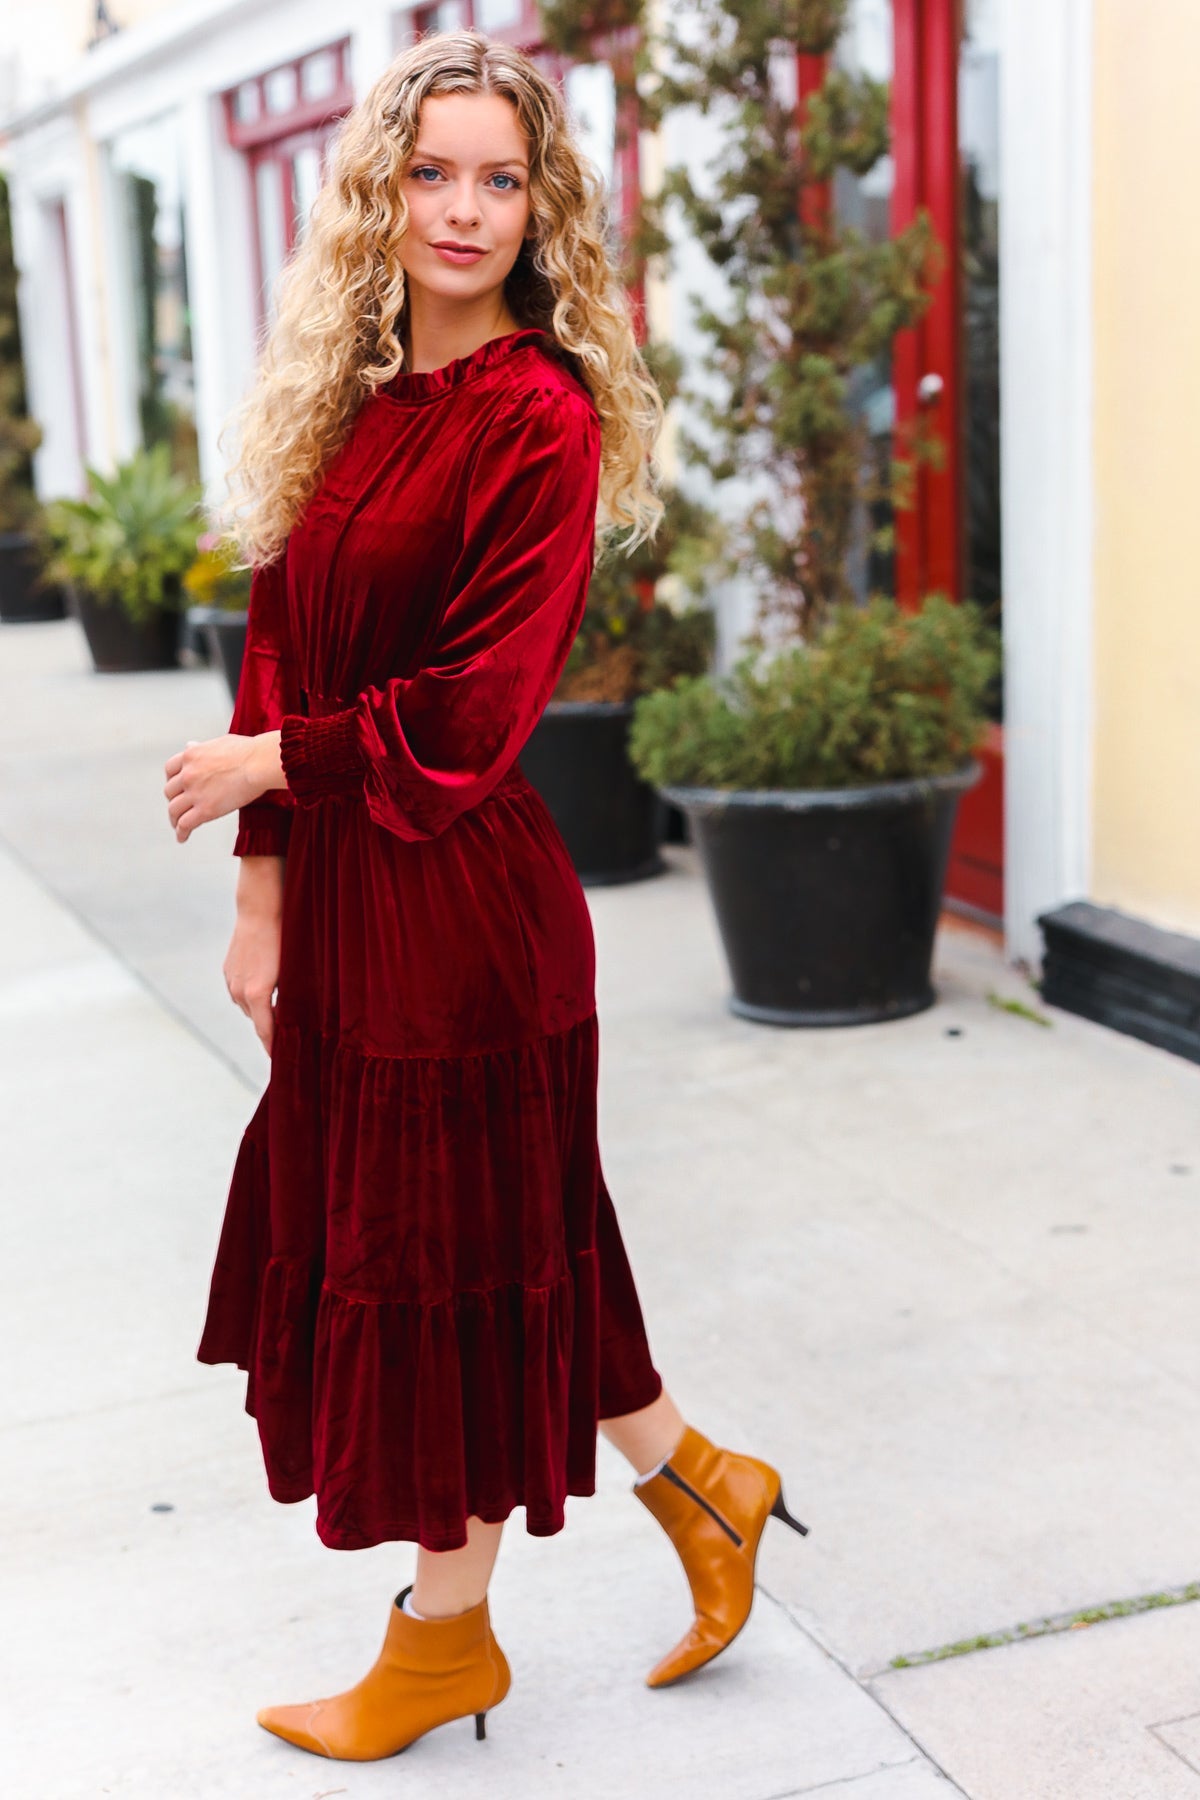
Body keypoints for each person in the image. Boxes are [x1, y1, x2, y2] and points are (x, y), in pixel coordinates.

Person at [162, 27, 807, 1765]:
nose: (463, 210)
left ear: (544, 210)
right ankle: (707, 1487)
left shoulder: (540, 420)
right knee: (528, 1239)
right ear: (381, 192)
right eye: (430, 172)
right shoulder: (358, 395)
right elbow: (291, 631)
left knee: (445, 1259)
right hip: (357, 906)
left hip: (467, 918)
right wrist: (266, 897)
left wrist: (266, 770)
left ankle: (445, 1640)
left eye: (500, 179)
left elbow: (461, 722)